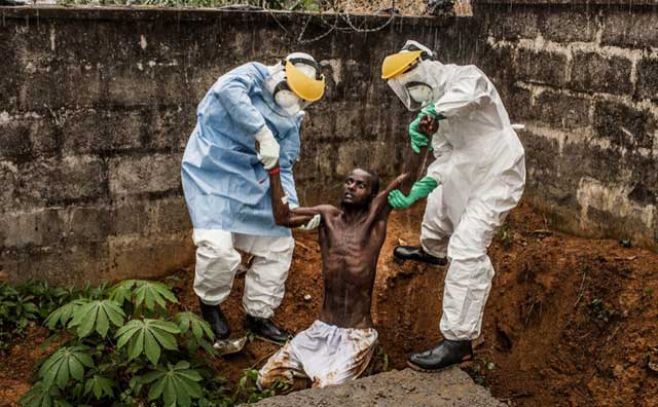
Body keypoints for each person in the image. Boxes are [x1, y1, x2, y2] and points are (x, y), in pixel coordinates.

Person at [257, 118, 436, 389]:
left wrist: (421, 141)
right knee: (265, 380)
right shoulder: (328, 217)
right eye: (349, 181)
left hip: (355, 334)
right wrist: (273, 170)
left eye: (360, 185)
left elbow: (406, 179)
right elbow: (282, 216)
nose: (350, 187)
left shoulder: (374, 221)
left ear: (372, 194)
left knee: (326, 392)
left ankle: (362, 364)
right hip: (320, 329)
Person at [381, 40, 526, 371]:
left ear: (425, 67)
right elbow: (445, 158)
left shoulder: (465, 77)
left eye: (413, 84)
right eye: (407, 91)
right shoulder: (435, 112)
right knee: (438, 202)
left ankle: (458, 342)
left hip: (499, 170)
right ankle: (432, 251)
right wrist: (419, 189)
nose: (416, 95)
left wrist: (433, 111)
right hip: (465, 168)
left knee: (467, 246)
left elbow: (470, 93)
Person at [181, 53, 326, 347]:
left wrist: (293, 206)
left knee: (279, 246)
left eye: (301, 97)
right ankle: (210, 304)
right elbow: (226, 91)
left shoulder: (291, 118)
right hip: (210, 172)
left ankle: (258, 315)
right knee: (218, 250)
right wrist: (262, 133)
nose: (293, 99)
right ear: (280, 75)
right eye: (291, 90)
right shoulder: (252, 75)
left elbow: (283, 165)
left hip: (252, 179)